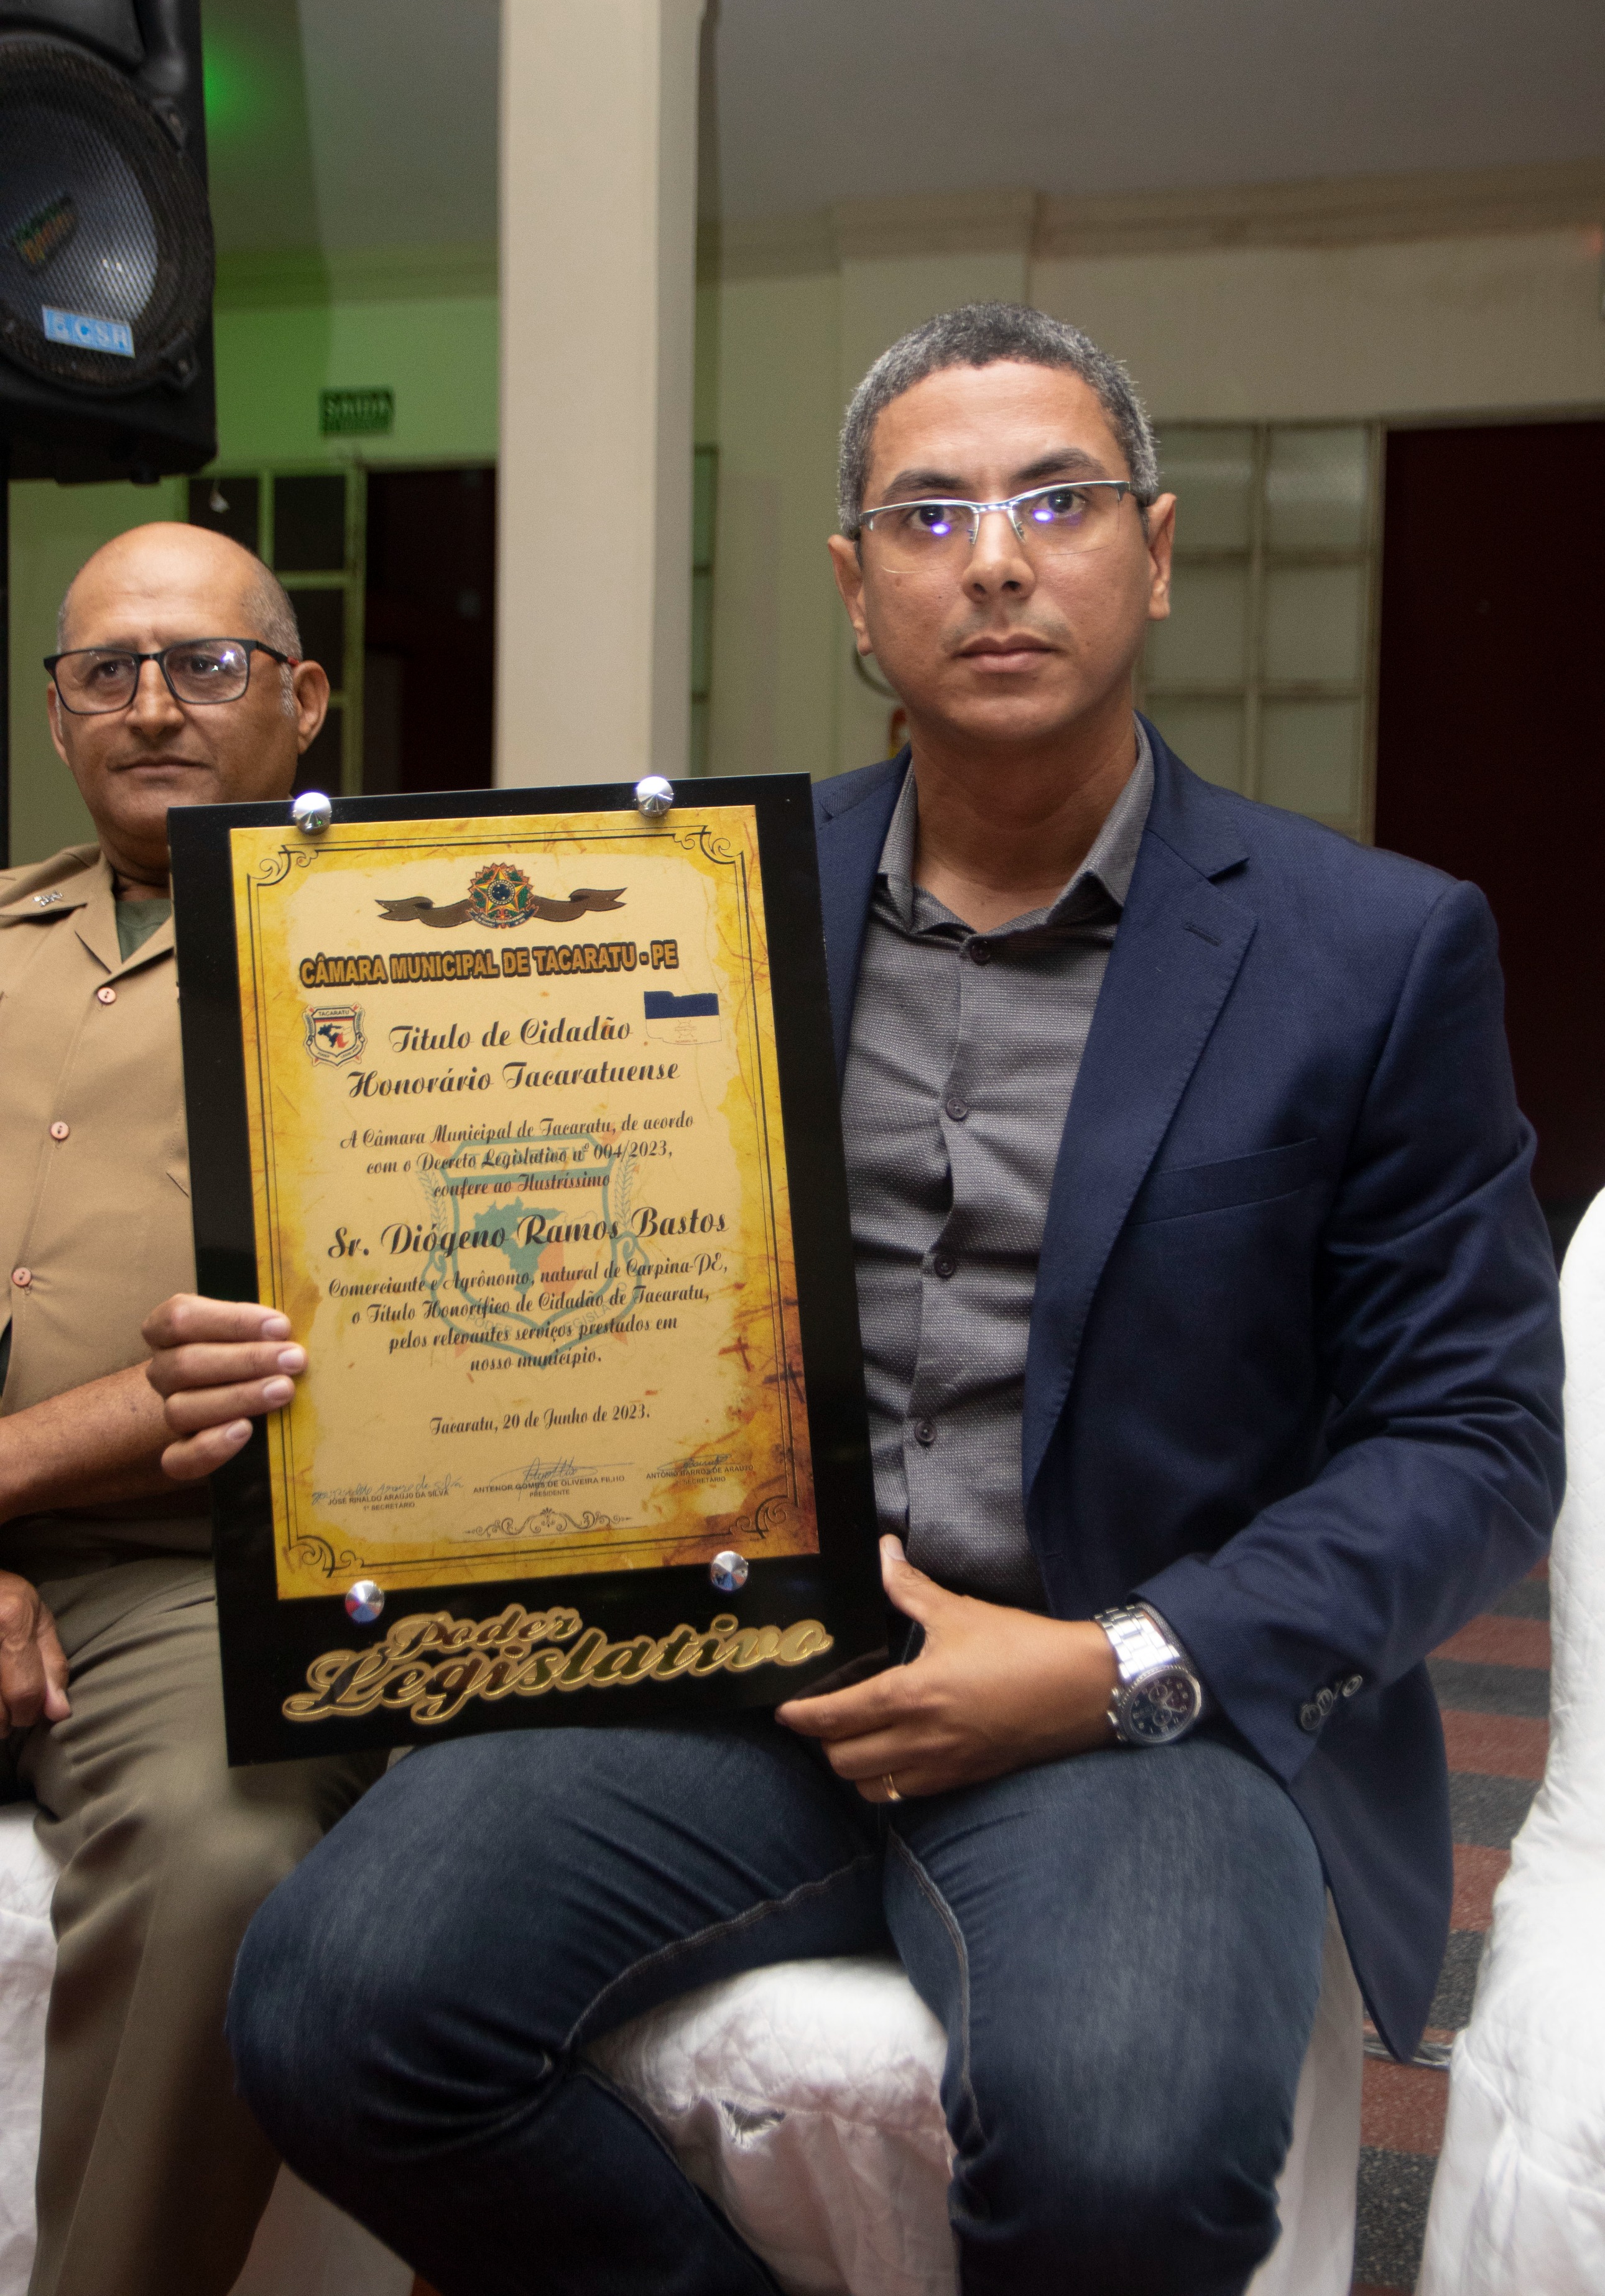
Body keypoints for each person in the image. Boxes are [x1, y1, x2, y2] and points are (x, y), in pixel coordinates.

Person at [147, 305, 1564, 2295]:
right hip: (729, 1682)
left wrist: (1114, 1664)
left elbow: (1473, 1444)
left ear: (1156, 552)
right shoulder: (683, 903)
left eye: (1058, 501)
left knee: (1133, 2163)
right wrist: (316, 1340)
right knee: (330, 2010)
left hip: (1119, 1717)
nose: (995, 560)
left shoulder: (1373, 950)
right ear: (851, 587)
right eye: (929, 514)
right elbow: (517, 1236)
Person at [0, 522, 383, 2296]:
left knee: (228, 1847)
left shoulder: (402, 955)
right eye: (108, 671)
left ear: (303, 700)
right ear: (57, 715)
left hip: (190, 1572)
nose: (151, 706)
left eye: (205, 665)